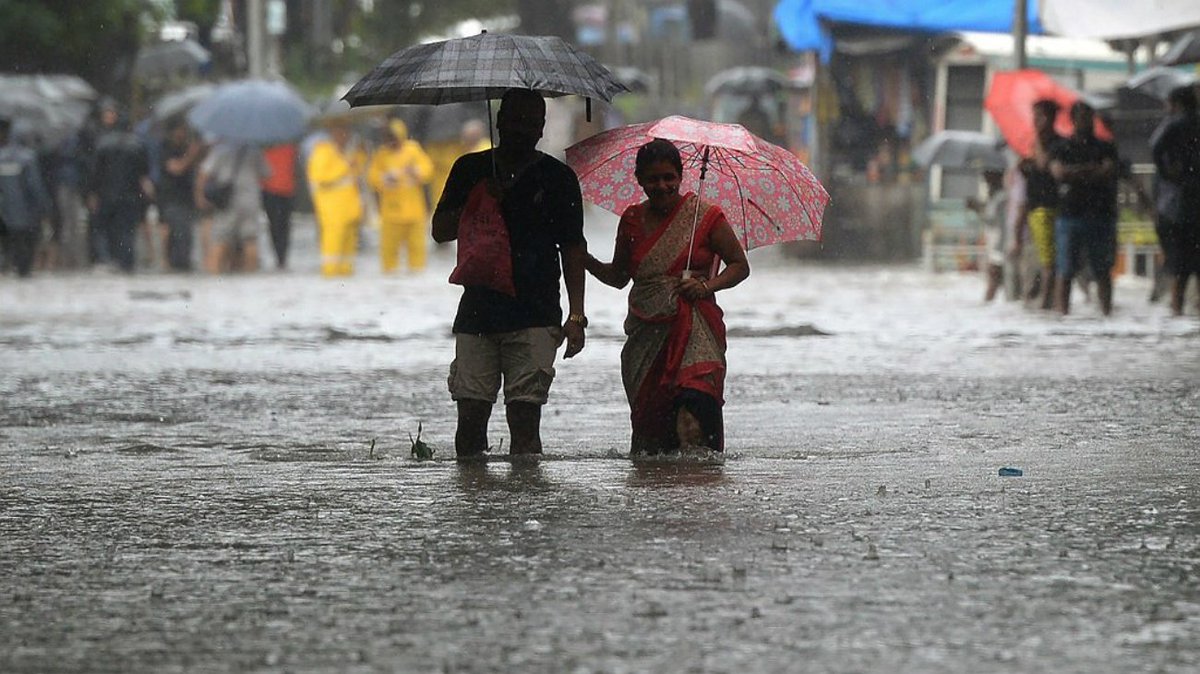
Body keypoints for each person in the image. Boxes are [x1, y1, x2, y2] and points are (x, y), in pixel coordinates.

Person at [431, 88, 587, 459]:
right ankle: (476, 505)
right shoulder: (470, 169)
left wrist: (576, 316)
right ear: (499, 122)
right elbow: (439, 231)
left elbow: (572, 248)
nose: (521, 130)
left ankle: (527, 502)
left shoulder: (558, 178)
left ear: (541, 128)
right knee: (469, 421)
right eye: (514, 121)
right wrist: (479, 199)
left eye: (531, 123)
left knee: (525, 421)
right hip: (477, 314)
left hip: (536, 313)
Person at [583, 138, 751, 455]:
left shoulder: (706, 217)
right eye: (653, 179)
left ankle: (700, 497)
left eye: (669, 178)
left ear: (680, 176)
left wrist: (706, 287)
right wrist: (586, 261)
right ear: (639, 180)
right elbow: (619, 278)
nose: (662, 186)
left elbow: (740, 266)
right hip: (646, 337)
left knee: (694, 409)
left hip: (695, 330)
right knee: (654, 433)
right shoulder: (631, 220)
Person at [1050, 101, 1119, 316]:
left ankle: (1107, 312)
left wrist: (1076, 173)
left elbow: (1107, 171)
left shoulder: (1105, 146)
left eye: (1088, 117)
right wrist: (1090, 170)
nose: (1085, 122)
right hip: (1070, 214)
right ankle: (1063, 313)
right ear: (1073, 120)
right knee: (1065, 269)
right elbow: (1058, 172)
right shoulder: (1063, 147)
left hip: (1100, 214)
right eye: (1080, 117)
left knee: (1102, 270)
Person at [1150, 85, 1200, 316]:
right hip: (1189, 203)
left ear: (1176, 104)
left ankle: (1177, 312)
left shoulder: (1174, 124)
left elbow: (1154, 146)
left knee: (1179, 268)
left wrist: (1168, 172)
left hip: (1178, 206)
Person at [87, 104, 153, 273]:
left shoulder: (102, 144)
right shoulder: (137, 144)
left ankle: (106, 259)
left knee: (104, 228)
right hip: (129, 194)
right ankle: (127, 262)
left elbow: (95, 172)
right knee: (127, 229)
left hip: (106, 194)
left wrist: (92, 193)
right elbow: (144, 173)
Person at [368, 119, 434, 273]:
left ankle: (417, 277)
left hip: (414, 210)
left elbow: (428, 169)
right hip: (391, 212)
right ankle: (390, 277)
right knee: (389, 250)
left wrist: (415, 171)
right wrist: (385, 178)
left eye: (394, 137)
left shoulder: (413, 150)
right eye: (388, 138)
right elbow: (372, 177)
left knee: (417, 248)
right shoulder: (381, 154)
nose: (392, 142)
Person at [195, 140, 269, 273]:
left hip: (228, 201)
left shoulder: (220, 150)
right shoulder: (254, 149)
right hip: (250, 201)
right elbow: (266, 174)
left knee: (220, 239)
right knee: (250, 240)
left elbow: (204, 173)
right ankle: (251, 279)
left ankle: (214, 276)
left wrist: (200, 195)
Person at [1019, 99, 1064, 310]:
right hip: (1034, 206)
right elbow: (1032, 170)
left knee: (1049, 261)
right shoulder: (1032, 145)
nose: (1036, 121)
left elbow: (1045, 164)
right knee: (1041, 260)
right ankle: (1045, 301)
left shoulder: (1058, 144)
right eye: (1034, 116)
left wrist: (1036, 145)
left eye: (1040, 116)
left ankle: (1047, 304)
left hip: (1050, 207)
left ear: (1051, 118)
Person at [307, 120, 363, 277]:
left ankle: (347, 275)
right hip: (332, 211)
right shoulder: (322, 151)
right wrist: (345, 166)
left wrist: (358, 159)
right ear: (333, 133)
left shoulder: (347, 152)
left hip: (349, 209)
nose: (345, 136)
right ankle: (330, 274)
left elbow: (356, 176)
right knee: (333, 244)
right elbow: (321, 177)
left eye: (347, 132)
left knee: (349, 247)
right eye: (341, 132)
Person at [0, 116, 53, 277]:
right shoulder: (28, 157)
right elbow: (34, 185)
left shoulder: (1, 157)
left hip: (5, 210)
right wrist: (44, 206)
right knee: (27, 241)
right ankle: (23, 269)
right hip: (27, 210)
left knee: (12, 240)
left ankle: (10, 264)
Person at [156, 117, 202, 271]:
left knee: (186, 235)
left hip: (186, 198)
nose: (182, 133)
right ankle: (175, 264)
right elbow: (176, 168)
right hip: (171, 199)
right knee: (178, 234)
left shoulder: (186, 147)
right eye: (179, 130)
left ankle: (182, 264)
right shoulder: (165, 148)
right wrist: (191, 154)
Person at [967, 168, 1008, 302]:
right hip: (996, 246)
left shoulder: (1002, 198)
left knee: (994, 279)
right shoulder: (996, 198)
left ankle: (987, 305)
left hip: (1001, 246)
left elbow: (996, 222)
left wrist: (977, 209)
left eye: (987, 179)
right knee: (996, 281)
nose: (985, 183)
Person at [261, 142, 297, 270]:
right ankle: (281, 256)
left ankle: (280, 256)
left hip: (273, 190)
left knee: (275, 225)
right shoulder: (290, 148)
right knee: (283, 225)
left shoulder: (265, 149)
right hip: (283, 190)